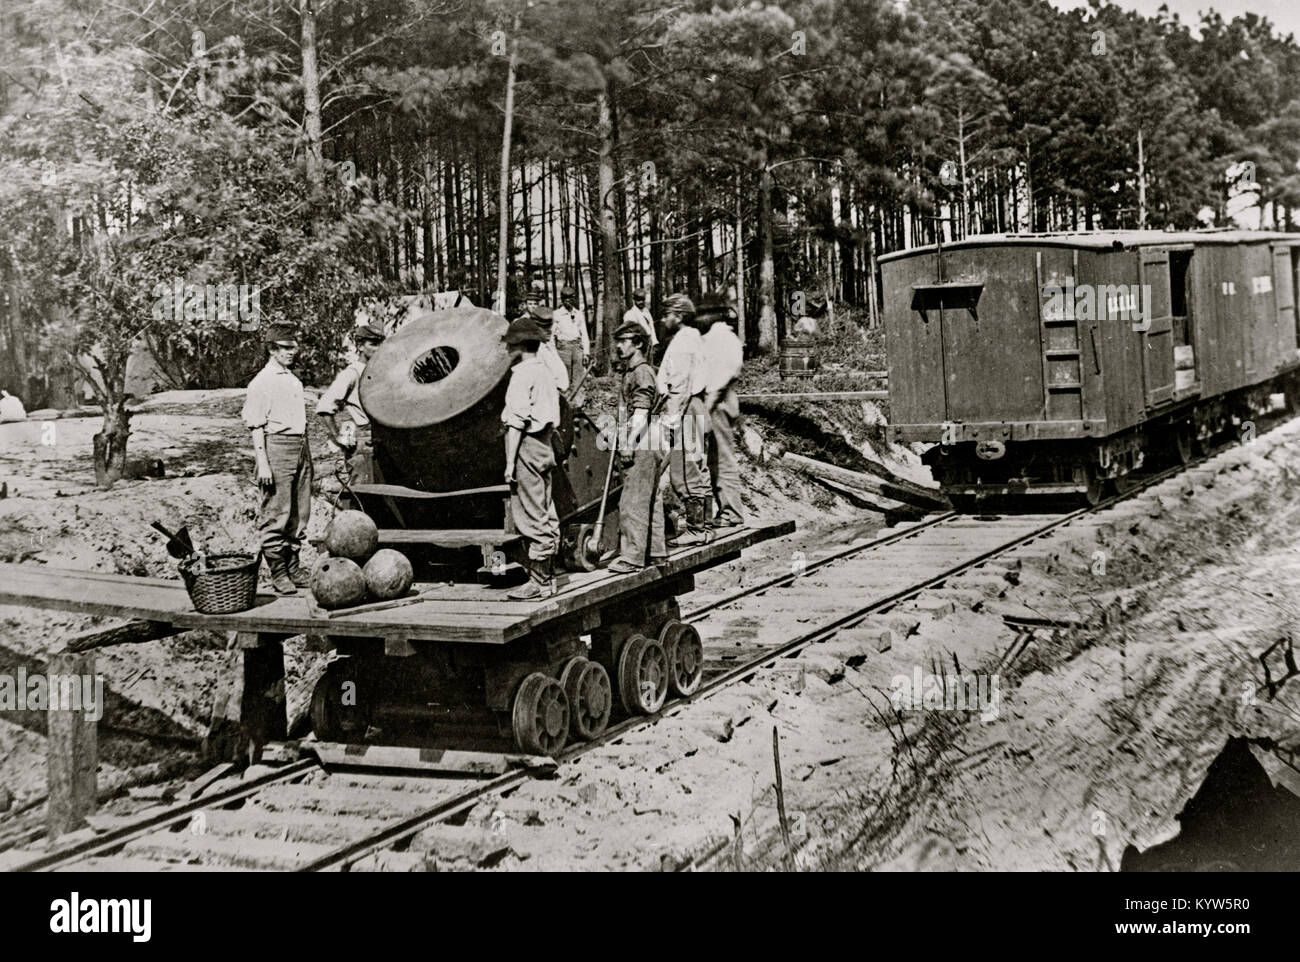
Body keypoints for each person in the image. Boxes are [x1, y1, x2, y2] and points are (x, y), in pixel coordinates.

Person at [242, 324, 312, 594]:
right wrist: (263, 461)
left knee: (300, 511)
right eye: (286, 348)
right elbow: (256, 425)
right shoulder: (261, 382)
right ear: (272, 349)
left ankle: (293, 567)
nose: (292, 352)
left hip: (301, 446)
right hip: (277, 447)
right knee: (277, 512)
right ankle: (278, 572)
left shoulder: (292, 380)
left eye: (294, 347)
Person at [501, 315, 561, 600]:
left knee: (530, 514)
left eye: (509, 345)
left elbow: (516, 423)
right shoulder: (545, 371)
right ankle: (550, 577)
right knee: (546, 510)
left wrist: (510, 463)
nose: (506, 350)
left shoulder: (522, 375)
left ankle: (539, 582)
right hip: (546, 445)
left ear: (519, 346)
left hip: (527, 445)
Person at [606, 320, 667, 573]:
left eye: (624, 341)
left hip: (643, 439)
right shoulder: (632, 371)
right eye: (617, 341)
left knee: (633, 500)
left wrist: (628, 444)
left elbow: (641, 411)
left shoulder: (641, 372)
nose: (618, 346)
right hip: (649, 438)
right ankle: (655, 553)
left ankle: (632, 557)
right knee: (650, 499)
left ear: (639, 343)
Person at [656, 292, 713, 545]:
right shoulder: (694, 338)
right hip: (698, 406)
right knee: (699, 466)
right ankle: (706, 526)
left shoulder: (682, 344)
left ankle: (696, 530)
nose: (664, 319)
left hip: (686, 408)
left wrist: (671, 419)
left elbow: (679, 385)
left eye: (667, 314)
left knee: (685, 470)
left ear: (678, 316)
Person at [697, 293, 746, 528]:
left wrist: (708, 405)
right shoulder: (712, 337)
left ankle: (731, 510)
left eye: (703, 314)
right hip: (713, 401)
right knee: (714, 460)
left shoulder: (723, 339)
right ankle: (722, 508)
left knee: (723, 459)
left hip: (719, 402)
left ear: (714, 315)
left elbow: (722, 376)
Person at [316, 321, 385, 481]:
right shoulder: (352, 373)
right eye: (373, 344)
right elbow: (325, 406)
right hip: (363, 441)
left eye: (381, 344)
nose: (379, 349)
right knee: (364, 492)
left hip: (383, 439)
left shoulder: (381, 370)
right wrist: (338, 437)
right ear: (360, 346)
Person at [517, 284, 569, 394]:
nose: (532, 306)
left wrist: (553, 353)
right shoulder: (522, 321)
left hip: (546, 350)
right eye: (530, 304)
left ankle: (558, 395)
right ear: (526, 305)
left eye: (535, 304)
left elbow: (550, 340)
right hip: (532, 353)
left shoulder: (544, 319)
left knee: (560, 372)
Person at [552, 285, 589, 407]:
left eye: (570, 298)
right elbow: (552, 336)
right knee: (564, 378)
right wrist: (553, 353)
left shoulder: (578, 314)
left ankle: (578, 405)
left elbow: (584, 333)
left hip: (577, 347)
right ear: (561, 300)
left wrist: (586, 352)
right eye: (565, 298)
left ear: (574, 299)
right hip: (563, 349)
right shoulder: (556, 314)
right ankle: (565, 405)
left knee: (578, 377)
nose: (568, 301)